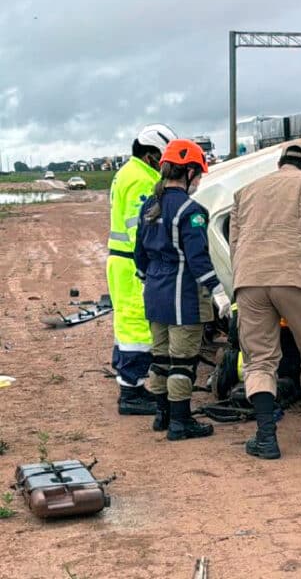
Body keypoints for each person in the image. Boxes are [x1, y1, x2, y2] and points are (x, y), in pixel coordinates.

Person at [231, 140, 301, 460]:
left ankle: (266, 437)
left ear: (280, 163)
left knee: (260, 359)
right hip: (296, 277)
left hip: (249, 281)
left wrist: (242, 280)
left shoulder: (246, 191)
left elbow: (236, 242)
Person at [134, 140, 231, 440]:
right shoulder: (192, 210)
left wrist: (147, 278)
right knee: (183, 360)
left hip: (154, 291)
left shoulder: (149, 206)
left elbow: (140, 255)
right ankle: (180, 422)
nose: (200, 180)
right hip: (182, 295)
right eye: (199, 174)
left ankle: (162, 415)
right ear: (188, 171)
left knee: (160, 357)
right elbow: (198, 259)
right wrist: (219, 292)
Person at [107, 123, 176, 416]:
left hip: (122, 262)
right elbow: (141, 229)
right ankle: (131, 392)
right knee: (137, 324)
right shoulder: (140, 180)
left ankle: (128, 381)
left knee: (127, 323)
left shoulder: (131, 173)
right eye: (163, 159)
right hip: (132, 263)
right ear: (150, 155)